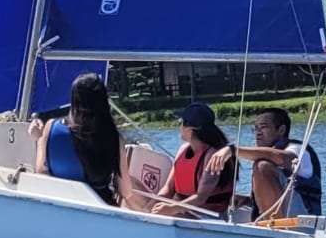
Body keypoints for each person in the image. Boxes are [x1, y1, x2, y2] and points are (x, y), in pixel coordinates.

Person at [30, 73, 141, 209]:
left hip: (59, 206)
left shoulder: (51, 127)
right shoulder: (112, 137)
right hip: (98, 210)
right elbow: (125, 190)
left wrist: (40, 140)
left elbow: (41, 172)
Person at [206, 107, 322, 219]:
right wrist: (249, 200)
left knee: (262, 166)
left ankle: (276, 228)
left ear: (281, 130)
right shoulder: (266, 154)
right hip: (283, 214)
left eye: (263, 127)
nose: (258, 133)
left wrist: (233, 150)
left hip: (303, 219)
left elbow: (283, 159)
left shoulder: (297, 149)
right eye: (255, 129)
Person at [149, 102, 235, 218]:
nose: (179, 126)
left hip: (207, 217)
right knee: (134, 185)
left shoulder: (212, 154)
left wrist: (171, 209)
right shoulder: (183, 150)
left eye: (181, 123)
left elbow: (200, 198)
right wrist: (149, 208)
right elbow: (168, 189)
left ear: (191, 128)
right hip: (183, 210)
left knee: (171, 216)